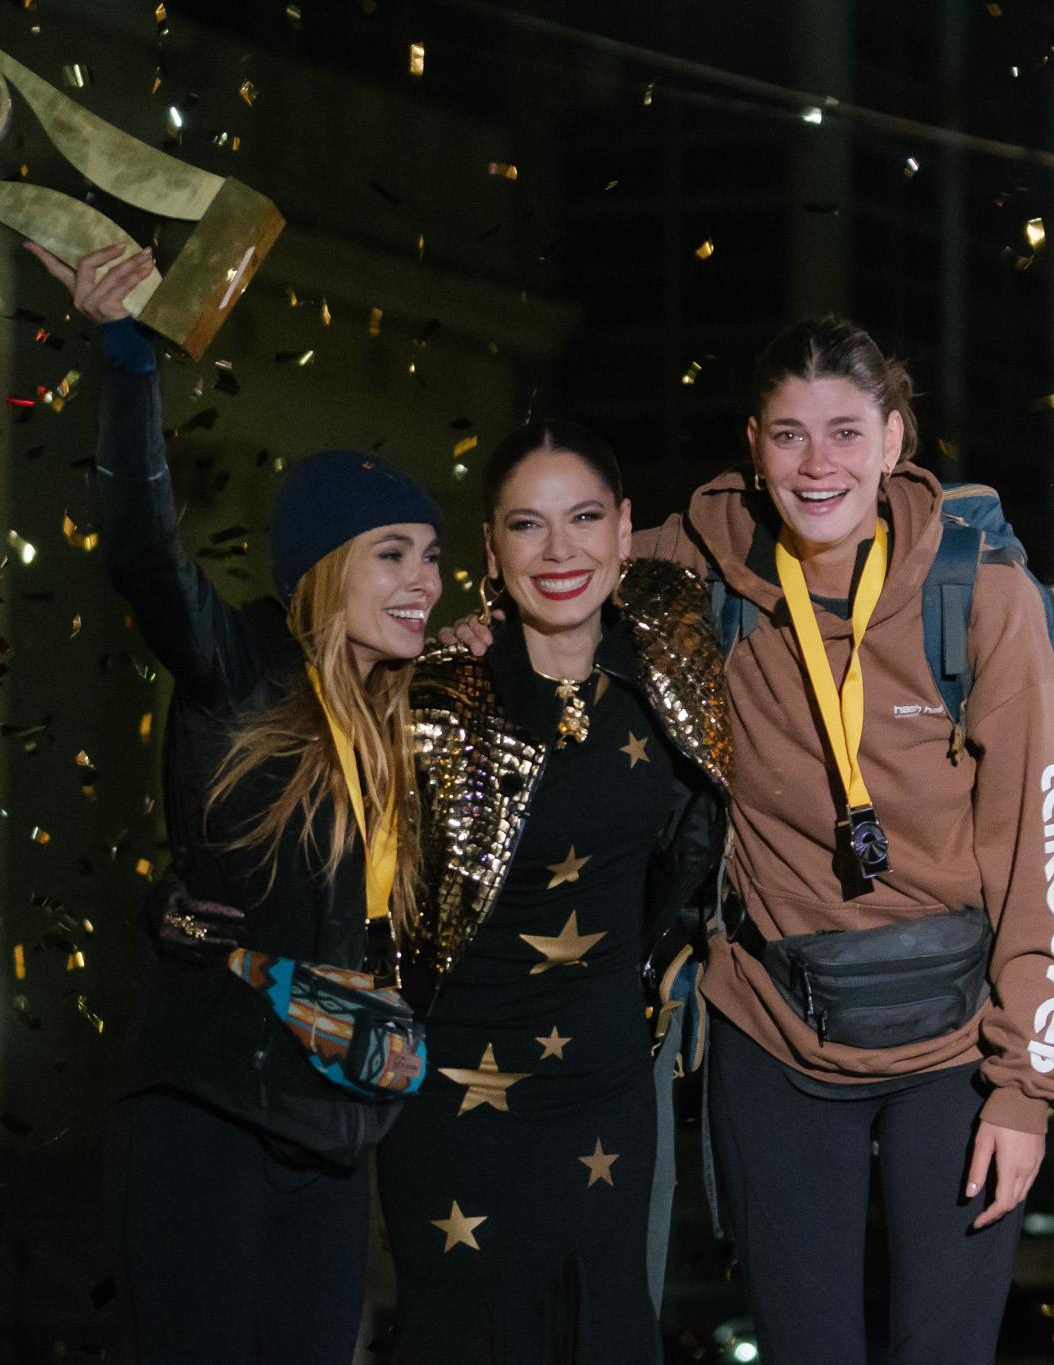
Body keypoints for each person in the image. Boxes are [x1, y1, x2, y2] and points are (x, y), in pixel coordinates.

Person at [444, 316, 1054, 1364]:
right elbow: (566, 561)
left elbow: (1049, 850)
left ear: (892, 442)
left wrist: (1027, 1092)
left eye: (845, 433)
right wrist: (481, 627)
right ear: (752, 447)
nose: (816, 465)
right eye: (789, 435)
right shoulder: (694, 574)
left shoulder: (979, 597)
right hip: (772, 1028)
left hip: (957, 1047)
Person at [31, 240, 445, 1364]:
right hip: (206, 1116)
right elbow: (142, 554)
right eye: (394, 554)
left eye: (431, 556)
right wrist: (128, 360)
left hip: (332, 1144)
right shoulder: (241, 669)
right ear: (324, 569)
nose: (424, 579)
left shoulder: (405, 725)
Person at [377, 421, 732, 1365]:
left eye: (583, 518)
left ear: (625, 528)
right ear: (491, 550)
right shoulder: (431, 696)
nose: (560, 550)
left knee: (605, 1333)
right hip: (455, 1101)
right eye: (527, 525)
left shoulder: (670, 652)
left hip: (608, 1090)